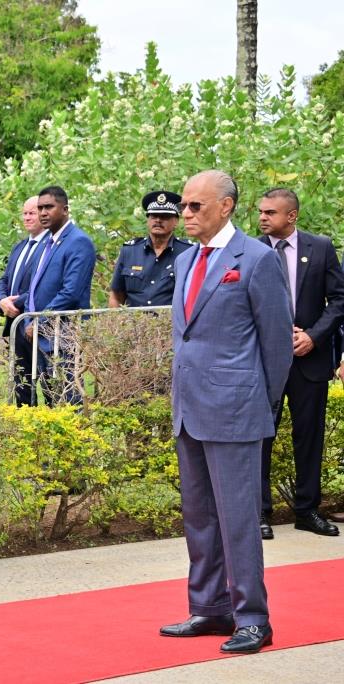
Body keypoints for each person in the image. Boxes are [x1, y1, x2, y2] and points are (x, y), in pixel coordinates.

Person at [159, 170, 292, 655]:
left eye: (195, 206)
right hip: (190, 408)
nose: (185, 214)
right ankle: (210, 607)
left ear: (226, 206)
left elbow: (276, 344)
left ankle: (253, 618)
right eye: (184, 206)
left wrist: (258, 405)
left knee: (238, 521)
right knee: (199, 518)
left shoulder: (255, 259)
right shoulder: (187, 258)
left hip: (235, 412)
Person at [256, 188, 344, 539]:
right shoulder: (251, 250)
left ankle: (307, 511)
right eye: (261, 212)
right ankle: (259, 512)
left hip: (309, 359)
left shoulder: (320, 248)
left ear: (291, 216)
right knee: (261, 436)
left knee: (309, 437)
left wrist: (313, 336)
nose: (263, 217)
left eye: (270, 212)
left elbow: (339, 300)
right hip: (264, 362)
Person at [13, 186, 95, 405]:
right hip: (39, 336)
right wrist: (23, 311)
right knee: (50, 400)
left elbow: (71, 292)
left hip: (63, 335)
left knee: (67, 402)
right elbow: (36, 288)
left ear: (65, 209)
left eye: (49, 207)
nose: (43, 213)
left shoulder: (78, 241)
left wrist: (39, 321)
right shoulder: (46, 242)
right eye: (40, 208)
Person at [0, 196, 50, 405]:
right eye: (25, 213)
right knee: (21, 386)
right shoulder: (19, 247)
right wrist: (1, 300)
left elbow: (45, 286)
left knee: (49, 385)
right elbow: (4, 279)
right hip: (15, 327)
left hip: (38, 326)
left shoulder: (50, 246)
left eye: (32, 213)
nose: (27, 217)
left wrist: (15, 304)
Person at [109, 190, 192, 307]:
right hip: (133, 318)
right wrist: (116, 318)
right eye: (153, 216)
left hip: (171, 318)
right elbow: (116, 296)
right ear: (148, 220)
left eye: (164, 216)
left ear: (176, 222)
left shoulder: (188, 252)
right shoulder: (130, 251)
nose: (158, 220)